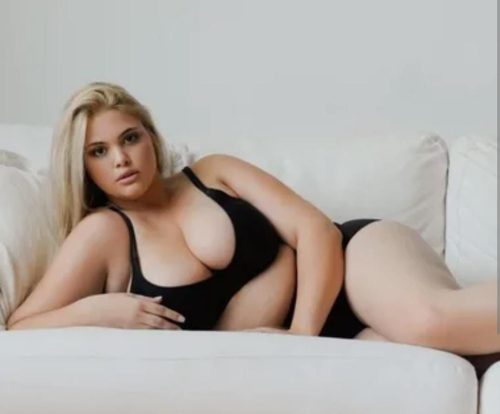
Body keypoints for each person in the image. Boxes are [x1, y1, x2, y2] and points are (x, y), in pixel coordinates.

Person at [6, 82, 499, 362]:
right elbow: (20, 326)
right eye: (98, 151)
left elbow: (316, 231)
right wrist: (99, 311)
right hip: (344, 342)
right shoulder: (104, 234)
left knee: (429, 321)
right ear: (82, 166)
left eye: (130, 138)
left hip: (353, 262)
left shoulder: (211, 173)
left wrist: (303, 340)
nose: (121, 158)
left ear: (151, 138)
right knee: (460, 355)